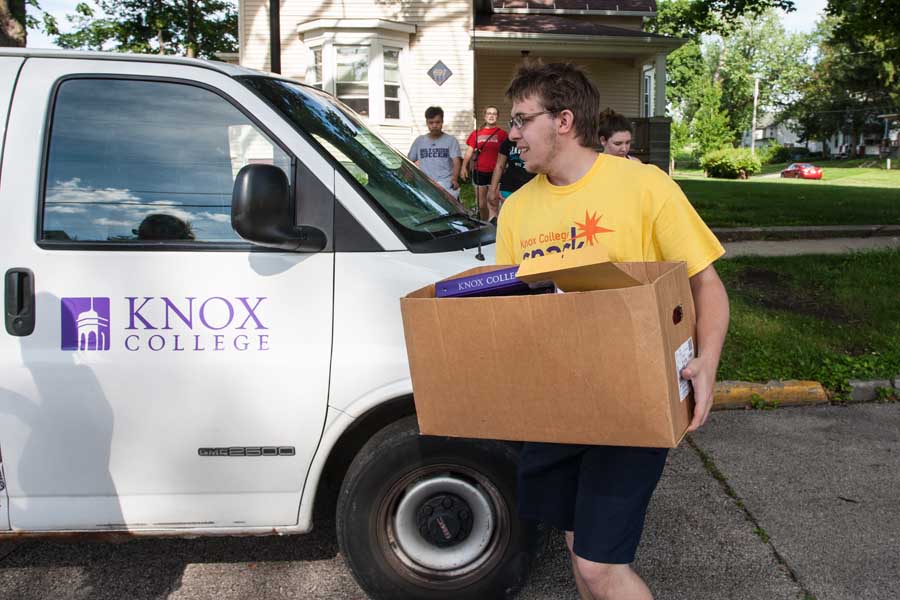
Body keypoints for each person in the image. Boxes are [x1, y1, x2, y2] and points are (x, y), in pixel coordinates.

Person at [496, 62, 730, 600]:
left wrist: (708, 361)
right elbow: (511, 306)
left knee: (601, 566)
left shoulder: (643, 185)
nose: (512, 134)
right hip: (555, 405)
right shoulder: (517, 210)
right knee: (582, 553)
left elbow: (707, 285)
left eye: (521, 120)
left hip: (632, 400)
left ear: (563, 120)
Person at [461, 106, 507, 222]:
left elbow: (506, 153)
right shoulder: (476, 133)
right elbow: (469, 151)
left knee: (493, 201)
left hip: (495, 172)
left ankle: (495, 225)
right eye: (489, 113)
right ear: (484, 116)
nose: (491, 116)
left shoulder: (502, 134)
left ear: (497, 117)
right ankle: (484, 223)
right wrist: (463, 167)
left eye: (494, 114)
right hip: (480, 171)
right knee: (481, 204)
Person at [407, 106, 462, 198]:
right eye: (431, 123)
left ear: (442, 122)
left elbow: (456, 161)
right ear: (427, 123)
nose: (434, 125)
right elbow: (409, 160)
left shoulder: (451, 140)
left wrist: (454, 179)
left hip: (446, 184)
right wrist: (408, 175)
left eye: (437, 122)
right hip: (425, 184)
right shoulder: (419, 141)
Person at [488, 137, 535, 212]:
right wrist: (492, 191)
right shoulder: (509, 141)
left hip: (531, 188)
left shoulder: (537, 140)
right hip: (509, 187)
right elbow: (499, 166)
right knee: (509, 217)